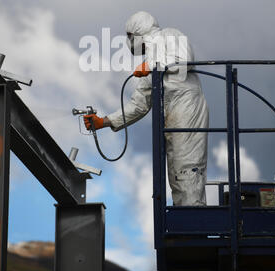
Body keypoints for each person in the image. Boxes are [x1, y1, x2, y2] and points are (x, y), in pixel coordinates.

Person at [84, 11, 209, 206]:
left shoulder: (169, 35)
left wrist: (151, 65)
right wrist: (104, 122)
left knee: (188, 167)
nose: (129, 42)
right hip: (171, 117)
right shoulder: (148, 68)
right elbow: (139, 105)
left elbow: (184, 59)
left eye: (129, 37)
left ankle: (195, 219)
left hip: (188, 108)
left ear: (137, 32)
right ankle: (184, 222)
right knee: (176, 173)